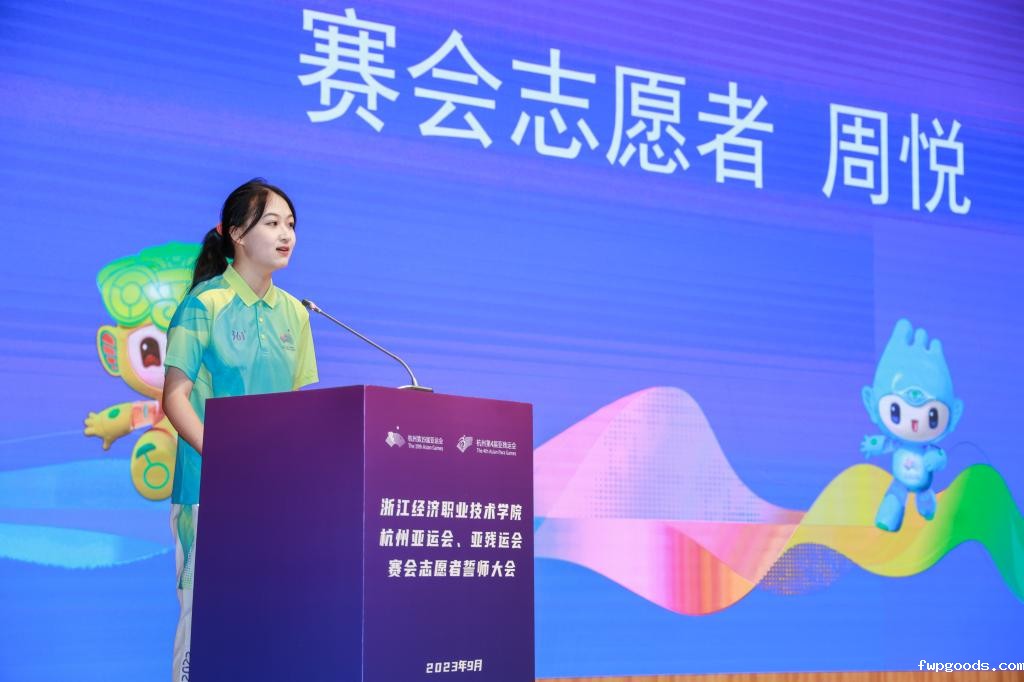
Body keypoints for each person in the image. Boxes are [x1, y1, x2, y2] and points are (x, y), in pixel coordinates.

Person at [162, 179, 318, 681]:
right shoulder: (203, 305)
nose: (286, 234)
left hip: (275, 495)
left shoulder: (296, 313)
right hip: (208, 491)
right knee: (204, 620)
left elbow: (299, 406)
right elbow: (175, 398)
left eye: (290, 224)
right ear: (236, 233)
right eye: (272, 223)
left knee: (267, 620)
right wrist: (224, 460)